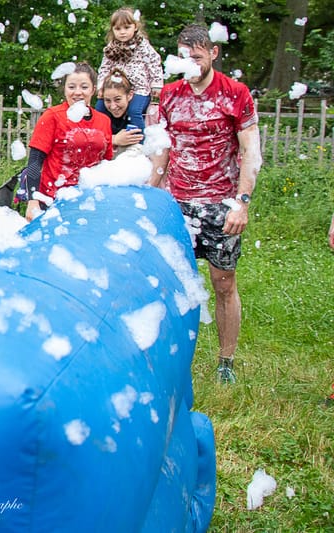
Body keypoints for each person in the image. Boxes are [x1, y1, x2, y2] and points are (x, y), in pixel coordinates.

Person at [149, 24, 262, 384]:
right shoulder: (170, 94)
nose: (191, 64)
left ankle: (226, 361)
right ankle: (171, 358)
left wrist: (242, 203)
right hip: (178, 202)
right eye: (185, 57)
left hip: (221, 203)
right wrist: (151, 193)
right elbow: (162, 149)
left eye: (197, 57)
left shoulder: (235, 93)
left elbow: (250, 152)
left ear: (214, 53)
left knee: (223, 282)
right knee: (172, 282)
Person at [24, 62, 113, 221]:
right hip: (54, 201)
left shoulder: (104, 121)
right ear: (64, 89)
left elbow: (106, 164)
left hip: (91, 202)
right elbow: (35, 161)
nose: (77, 92)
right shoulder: (52, 116)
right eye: (71, 87)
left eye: (84, 87)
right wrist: (32, 200)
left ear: (93, 90)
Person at [96, 7, 163, 135]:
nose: (122, 32)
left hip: (140, 89)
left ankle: (139, 140)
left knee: (134, 111)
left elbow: (154, 63)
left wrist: (156, 84)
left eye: (126, 28)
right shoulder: (111, 48)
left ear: (135, 27)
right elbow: (104, 68)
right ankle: (104, 137)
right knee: (100, 108)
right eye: (118, 29)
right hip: (116, 88)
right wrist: (101, 86)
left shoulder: (142, 45)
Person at [99, 67, 145, 156]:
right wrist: (114, 139)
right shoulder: (101, 115)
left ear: (130, 95)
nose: (113, 106)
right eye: (107, 100)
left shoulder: (145, 116)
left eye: (117, 99)